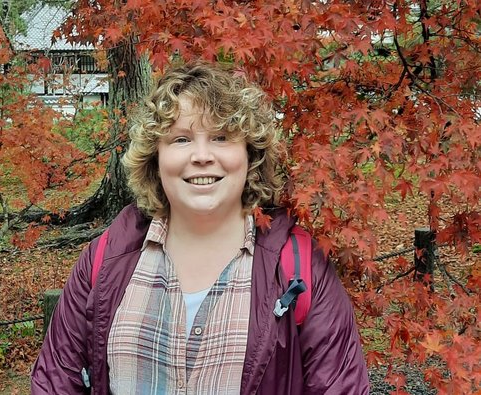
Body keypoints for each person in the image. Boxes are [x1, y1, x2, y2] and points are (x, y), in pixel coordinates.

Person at [31, 61, 369, 394]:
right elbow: (56, 383)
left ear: (250, 155)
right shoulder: (106, 260)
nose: (202, 155)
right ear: (155, 157)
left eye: (221, 137)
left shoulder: (299, 269)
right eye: (180, 139)